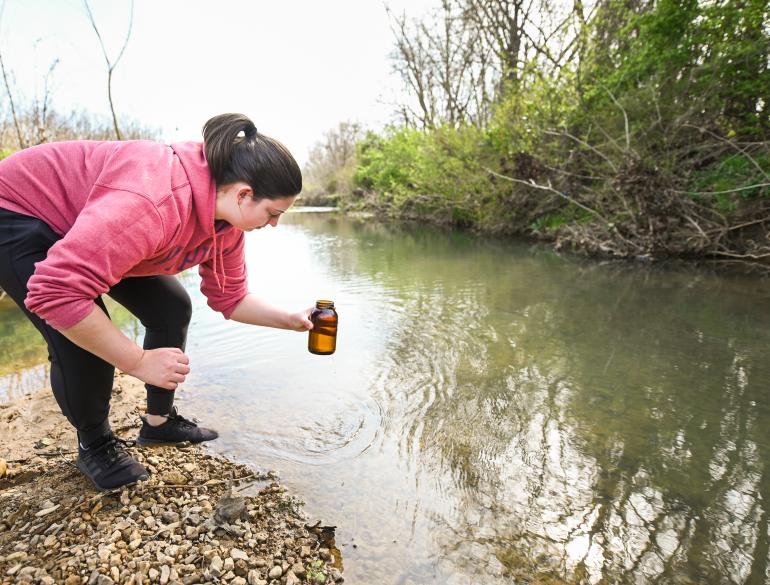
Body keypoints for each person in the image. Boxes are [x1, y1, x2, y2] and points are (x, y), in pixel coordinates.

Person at [0, 113, 313, 491]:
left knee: (172, 307)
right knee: (81, 337)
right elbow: (55, 292)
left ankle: (158, 424)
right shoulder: (156, 199)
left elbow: (230, 298)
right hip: (21, 209)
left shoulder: (227, 225)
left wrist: (292, 320)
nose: (275, 224)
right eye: (273, 213)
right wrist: (138, 361)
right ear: (244, 194)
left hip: (91, 221)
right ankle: (95, 445)